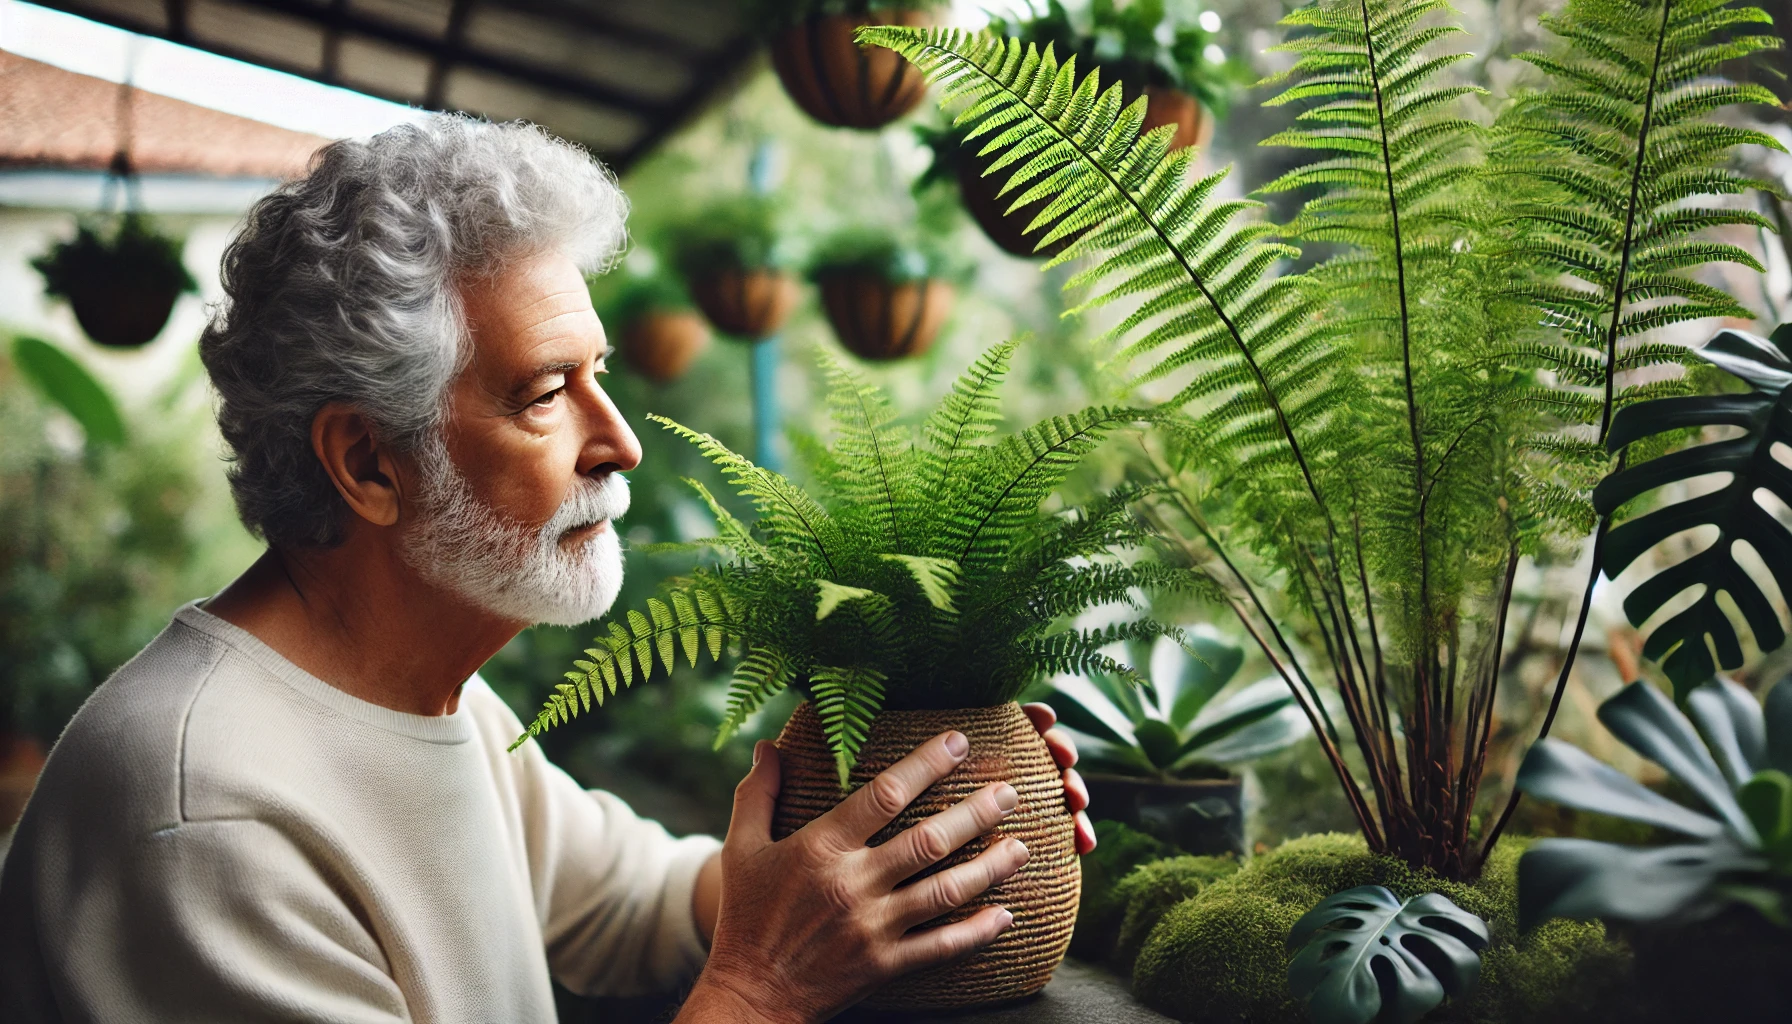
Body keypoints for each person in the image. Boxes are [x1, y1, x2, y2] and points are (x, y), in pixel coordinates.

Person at [0, 115, 1094, 1024]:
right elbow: (745, 961)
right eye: (544, 391)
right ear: (367, 461)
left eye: (599, 374)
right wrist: (760, 990)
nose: (619, 439)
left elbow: (644, 904)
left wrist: (901, 828)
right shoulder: (206, 820)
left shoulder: (429, 699)